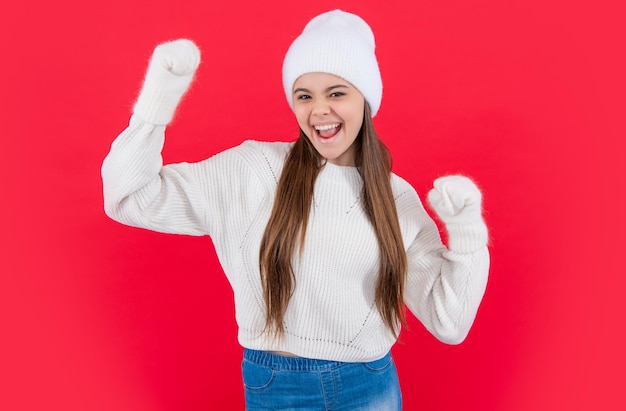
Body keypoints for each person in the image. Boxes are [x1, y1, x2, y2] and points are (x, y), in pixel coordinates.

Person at [101, 9, 490, 411]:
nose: (319, 110)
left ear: (366, 100)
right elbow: (130, 197)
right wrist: (157, 102)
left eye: (336, 92)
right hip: (277, 387)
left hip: (370, 385)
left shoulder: (395, 198)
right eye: (305, 95)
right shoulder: (252, 172)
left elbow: (450, 322)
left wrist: (466, 235)